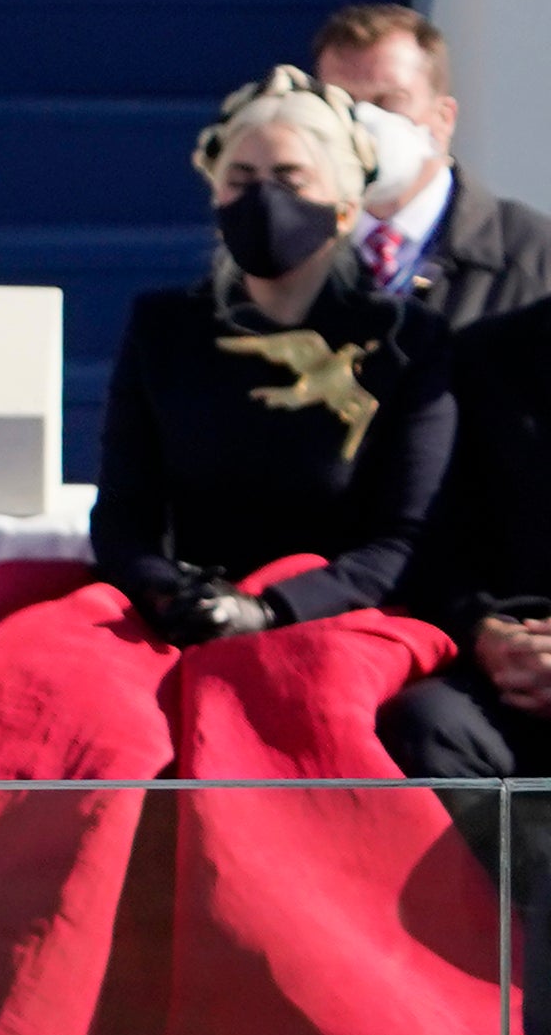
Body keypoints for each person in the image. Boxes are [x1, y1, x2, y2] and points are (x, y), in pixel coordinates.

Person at [98, 71, 455, 654]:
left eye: (290, 179)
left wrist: (270, 610)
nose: (264, 198)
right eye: (241, 180)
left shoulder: (405, 340)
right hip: (184, 615)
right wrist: (173, 594)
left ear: (343, 209)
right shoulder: (163, 326)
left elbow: (407, 538)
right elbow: (123, 514)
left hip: (338, 622)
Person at [318, 2, 551, 326]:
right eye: (344, 103)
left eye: (389, 102)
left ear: (443, 119)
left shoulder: (534, 259)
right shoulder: (294, 253)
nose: (364, 123)